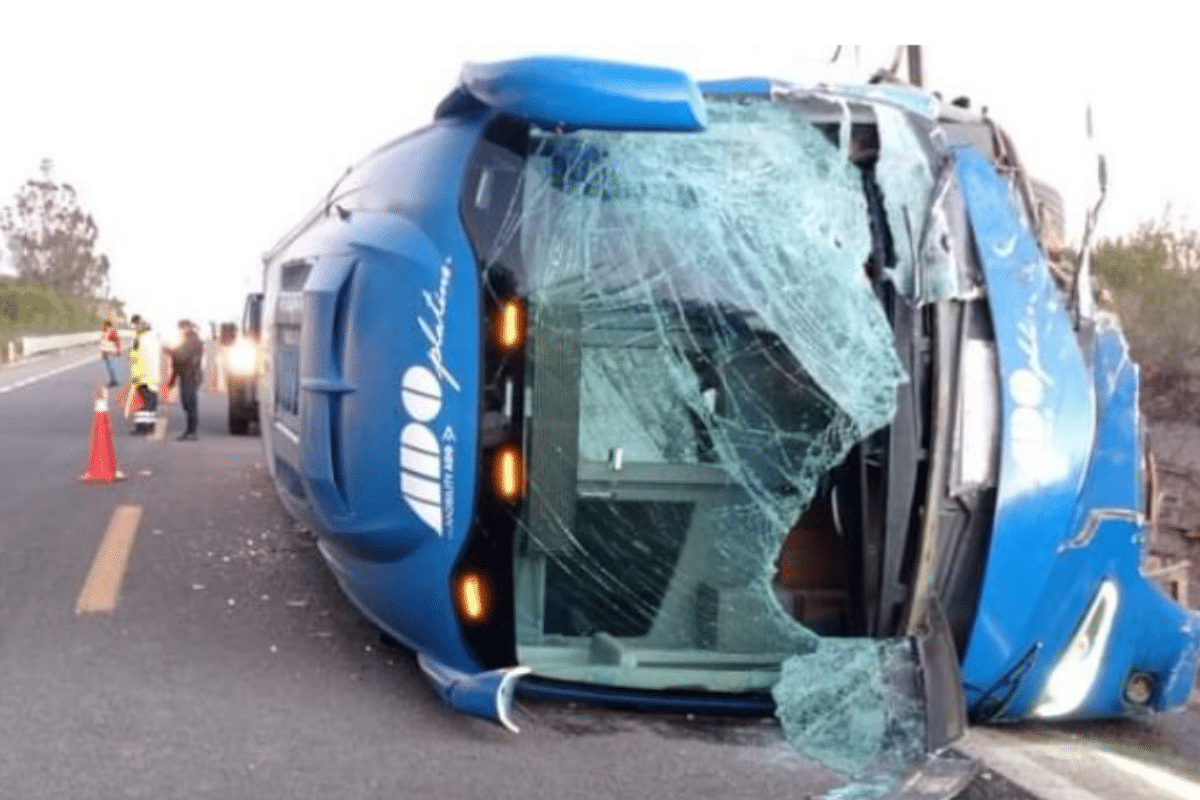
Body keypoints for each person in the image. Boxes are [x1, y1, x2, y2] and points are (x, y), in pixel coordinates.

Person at [169, 319, 204, 441]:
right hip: (186, 376)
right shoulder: (188, 340)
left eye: (180, 328)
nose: (179, 331)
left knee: (190, 404)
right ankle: (189, 431)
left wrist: (170, 351)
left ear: (185, 328)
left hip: (191, 376)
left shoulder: (192, 341)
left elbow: (181, 357)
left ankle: (192, 432)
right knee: (187, 404)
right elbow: (178, 361)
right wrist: (172, 380)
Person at [128, 314, 162, 434]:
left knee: (144, 402)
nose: (135, 328)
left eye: (136, 325)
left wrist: (136, 376)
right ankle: (151, 426)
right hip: (153, 375)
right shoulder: (154, 338)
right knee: (152, 401)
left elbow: (136, 358)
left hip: (143, 375)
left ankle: (142, 428)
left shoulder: (139, 339)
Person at [99, 320, 121, 387]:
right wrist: (102, 353)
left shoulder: (113, 332)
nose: (106, 327)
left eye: (107, 325)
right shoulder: (104, 332)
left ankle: (114, 381)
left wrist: (118, 350)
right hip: (106, 352)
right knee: (108, 367)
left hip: (111, 352)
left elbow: (117, 341)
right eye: (105, 326)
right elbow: (102, 343)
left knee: (111, 367)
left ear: (109, 326)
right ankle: (112, 381)